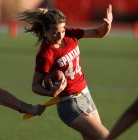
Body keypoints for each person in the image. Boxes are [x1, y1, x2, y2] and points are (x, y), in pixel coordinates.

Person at [16, 4, 113, 140]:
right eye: (55, 32)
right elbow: (35, 86)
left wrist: (107, 25)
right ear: (45, 30)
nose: (60, 35)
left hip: (86, 95)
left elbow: (98, 33)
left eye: (62, 30)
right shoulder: (46, 54)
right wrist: (51, 92)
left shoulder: (69, 34)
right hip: (70, 104)